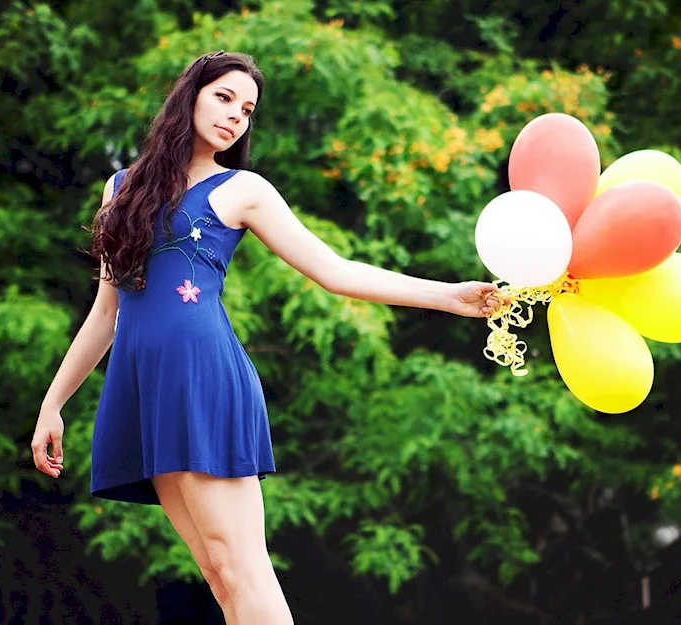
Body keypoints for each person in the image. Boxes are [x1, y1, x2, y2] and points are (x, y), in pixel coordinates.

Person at [31, 51, 504, 625]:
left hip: (202, 378)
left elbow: (335, 271)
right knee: (219, 575)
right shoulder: (120, 188)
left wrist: (447, 296)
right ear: (190, 97)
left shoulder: (243, 190)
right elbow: (106, 311)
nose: (236, 117)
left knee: (243, 567)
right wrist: (54, 402)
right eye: (225, 98)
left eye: (248, 109)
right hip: (143, 387)